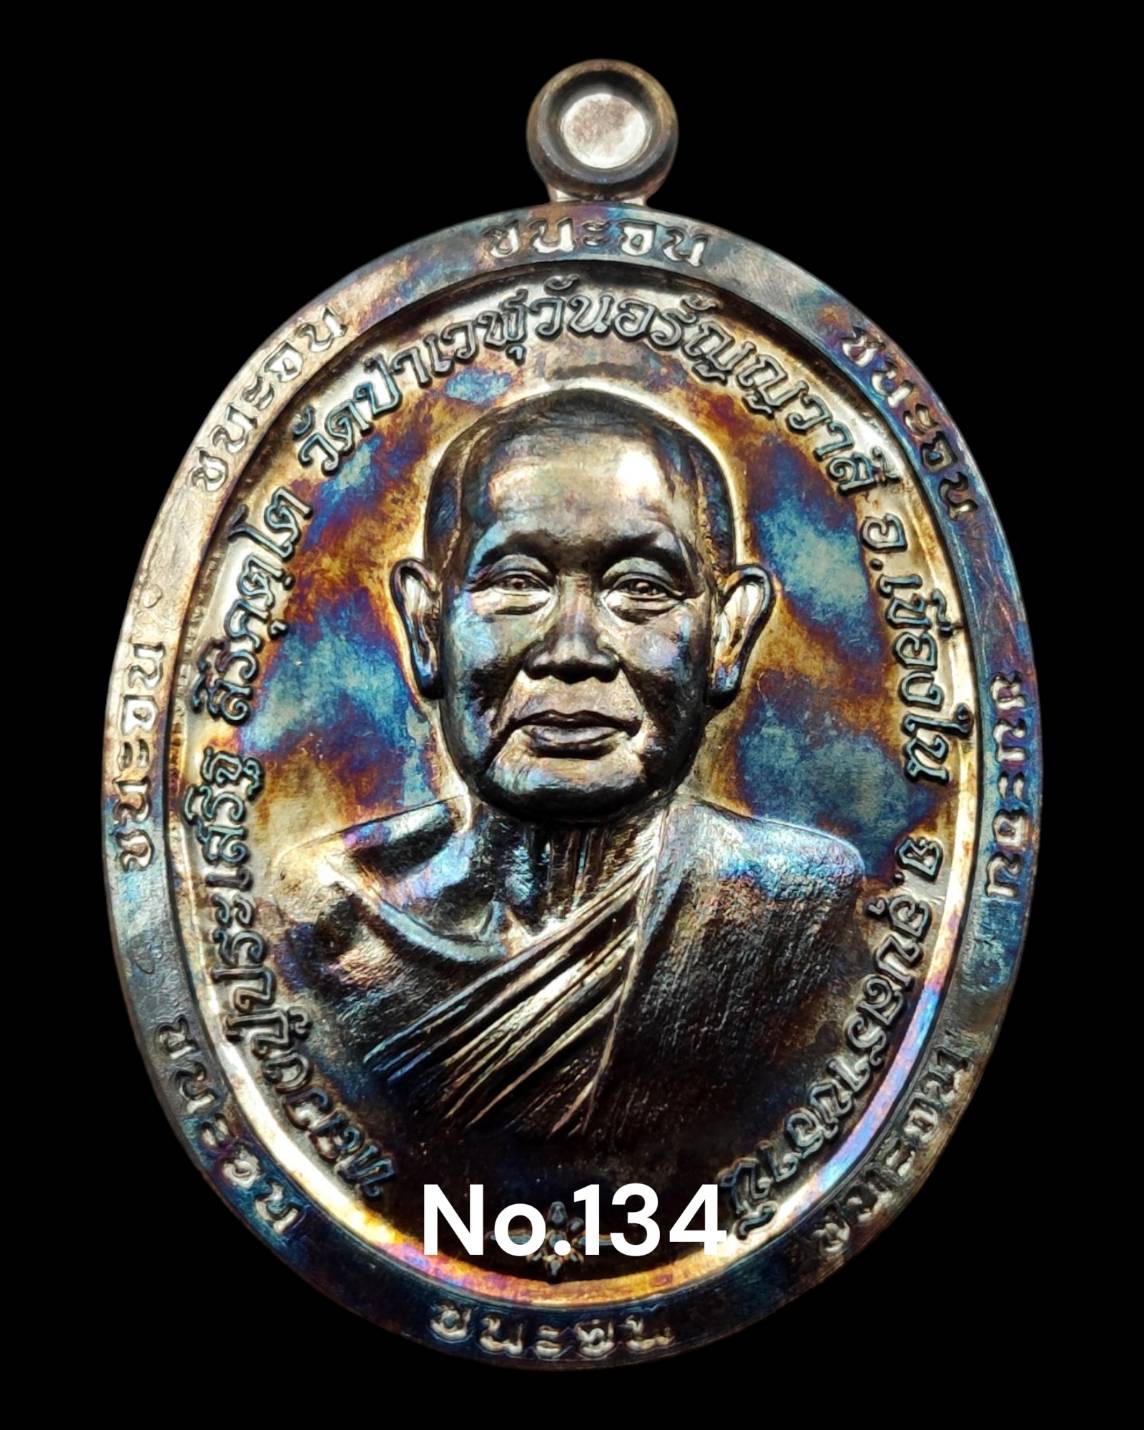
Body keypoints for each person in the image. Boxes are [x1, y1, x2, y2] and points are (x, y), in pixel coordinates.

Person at [272, 386, 864, 1183]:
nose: (573, 649)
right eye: (517, 581)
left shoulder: (790, 910)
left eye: (641, 588)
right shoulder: (332, 922)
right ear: (425, 624)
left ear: (728, 634)